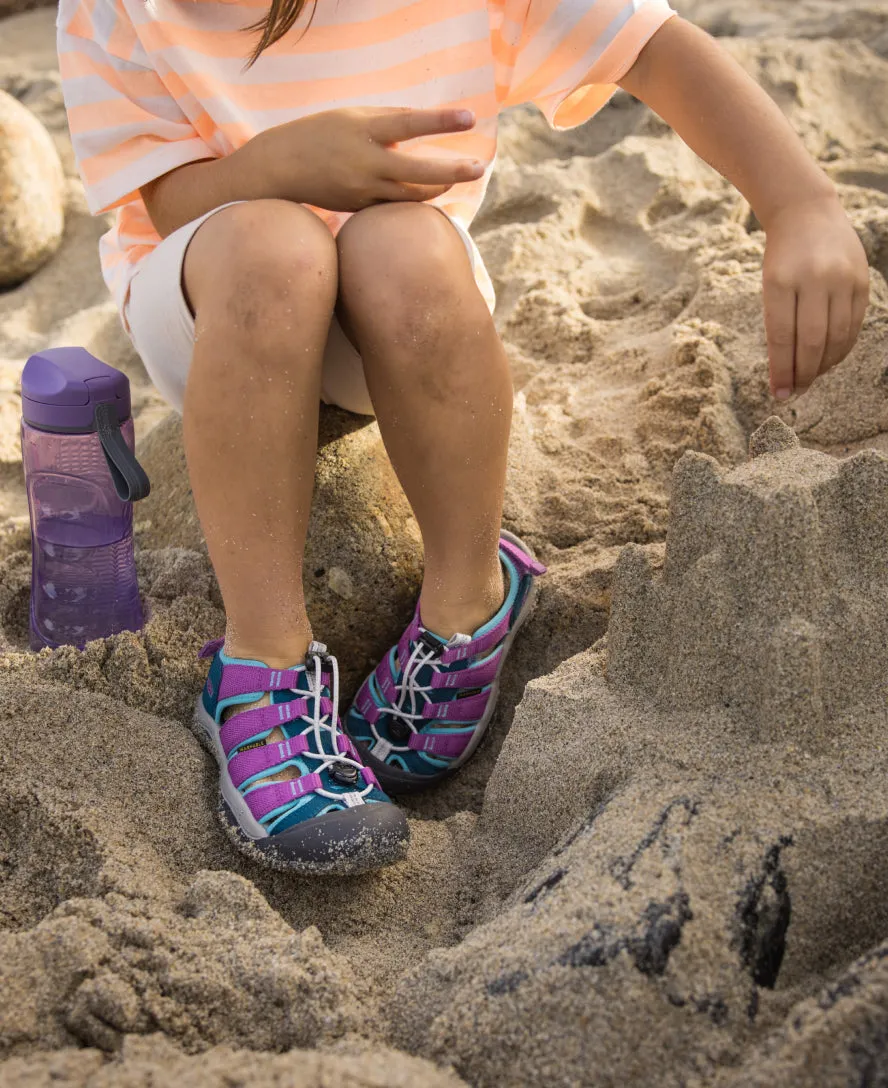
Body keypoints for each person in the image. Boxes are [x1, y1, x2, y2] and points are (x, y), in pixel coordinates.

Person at [56, 0, 869, 875]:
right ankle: (262, 661)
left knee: (402, 242)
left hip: (403, 299)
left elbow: (651, 47)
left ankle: (467, 598)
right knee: (273, 244)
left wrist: (799, 203)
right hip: (216, 299)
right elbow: (164, 195)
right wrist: (269, 168)